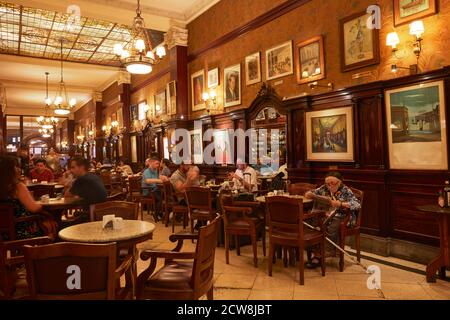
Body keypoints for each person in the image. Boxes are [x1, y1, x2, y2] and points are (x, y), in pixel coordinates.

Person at [304, 171, 361, 268]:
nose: (330, 186)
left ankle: (320, 255)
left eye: (333, 183)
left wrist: (341, 204)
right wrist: (309, 194)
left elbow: (357, 205)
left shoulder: (346, 190)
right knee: (311, 225)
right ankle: (315, 250)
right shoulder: (324, 187)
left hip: (343, 217)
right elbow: (310, 193)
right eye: (328, 183)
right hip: (326, 215)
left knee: (330, 226)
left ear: (340, 182)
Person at [0, 155, 51, 240]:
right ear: (9, 170)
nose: (19, 169)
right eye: (16, 166)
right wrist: (43, 204)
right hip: (21, 231)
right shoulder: (17, 187)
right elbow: (34, 208)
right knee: (50, 221)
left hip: (3, 235)